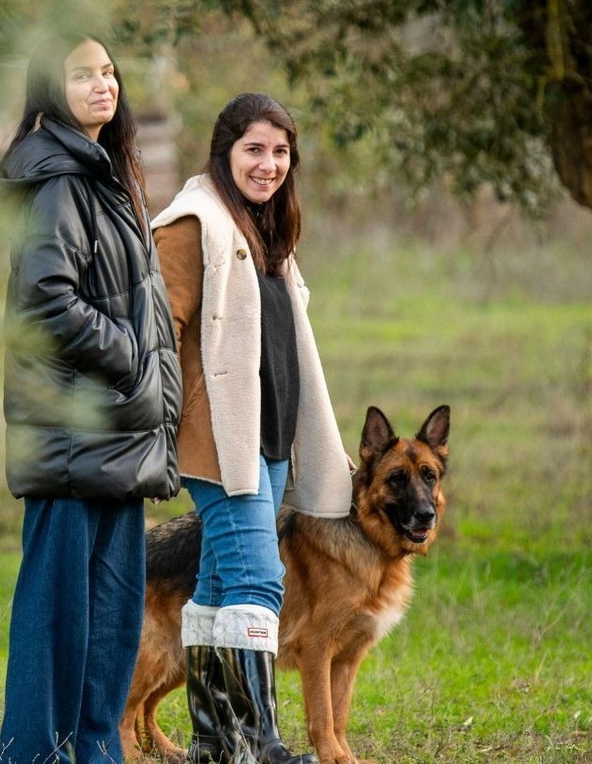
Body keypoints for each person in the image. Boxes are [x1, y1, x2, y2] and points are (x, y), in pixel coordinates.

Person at [0, 35, 183, 764]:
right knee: (57, 618)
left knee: (108, 620)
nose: (104, 84)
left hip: (117, 437)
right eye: (82, 74)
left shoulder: (105, 175)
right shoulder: (60, 183)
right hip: (72, 436)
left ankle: (94, 750)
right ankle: (36, 753)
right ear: (50, 88)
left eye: (108, 71)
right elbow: (45, 301)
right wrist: (131, 355)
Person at [150, 93, 354, 764]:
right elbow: (156, 332)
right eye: (254, 149)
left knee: (216, 586)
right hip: (218, 444)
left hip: (268, 441)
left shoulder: (265, 230)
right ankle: (260, 741)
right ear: (225, 150)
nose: (268, 164)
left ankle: (215, 742)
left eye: (280, 152)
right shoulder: (191, 222)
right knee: (260, 580)